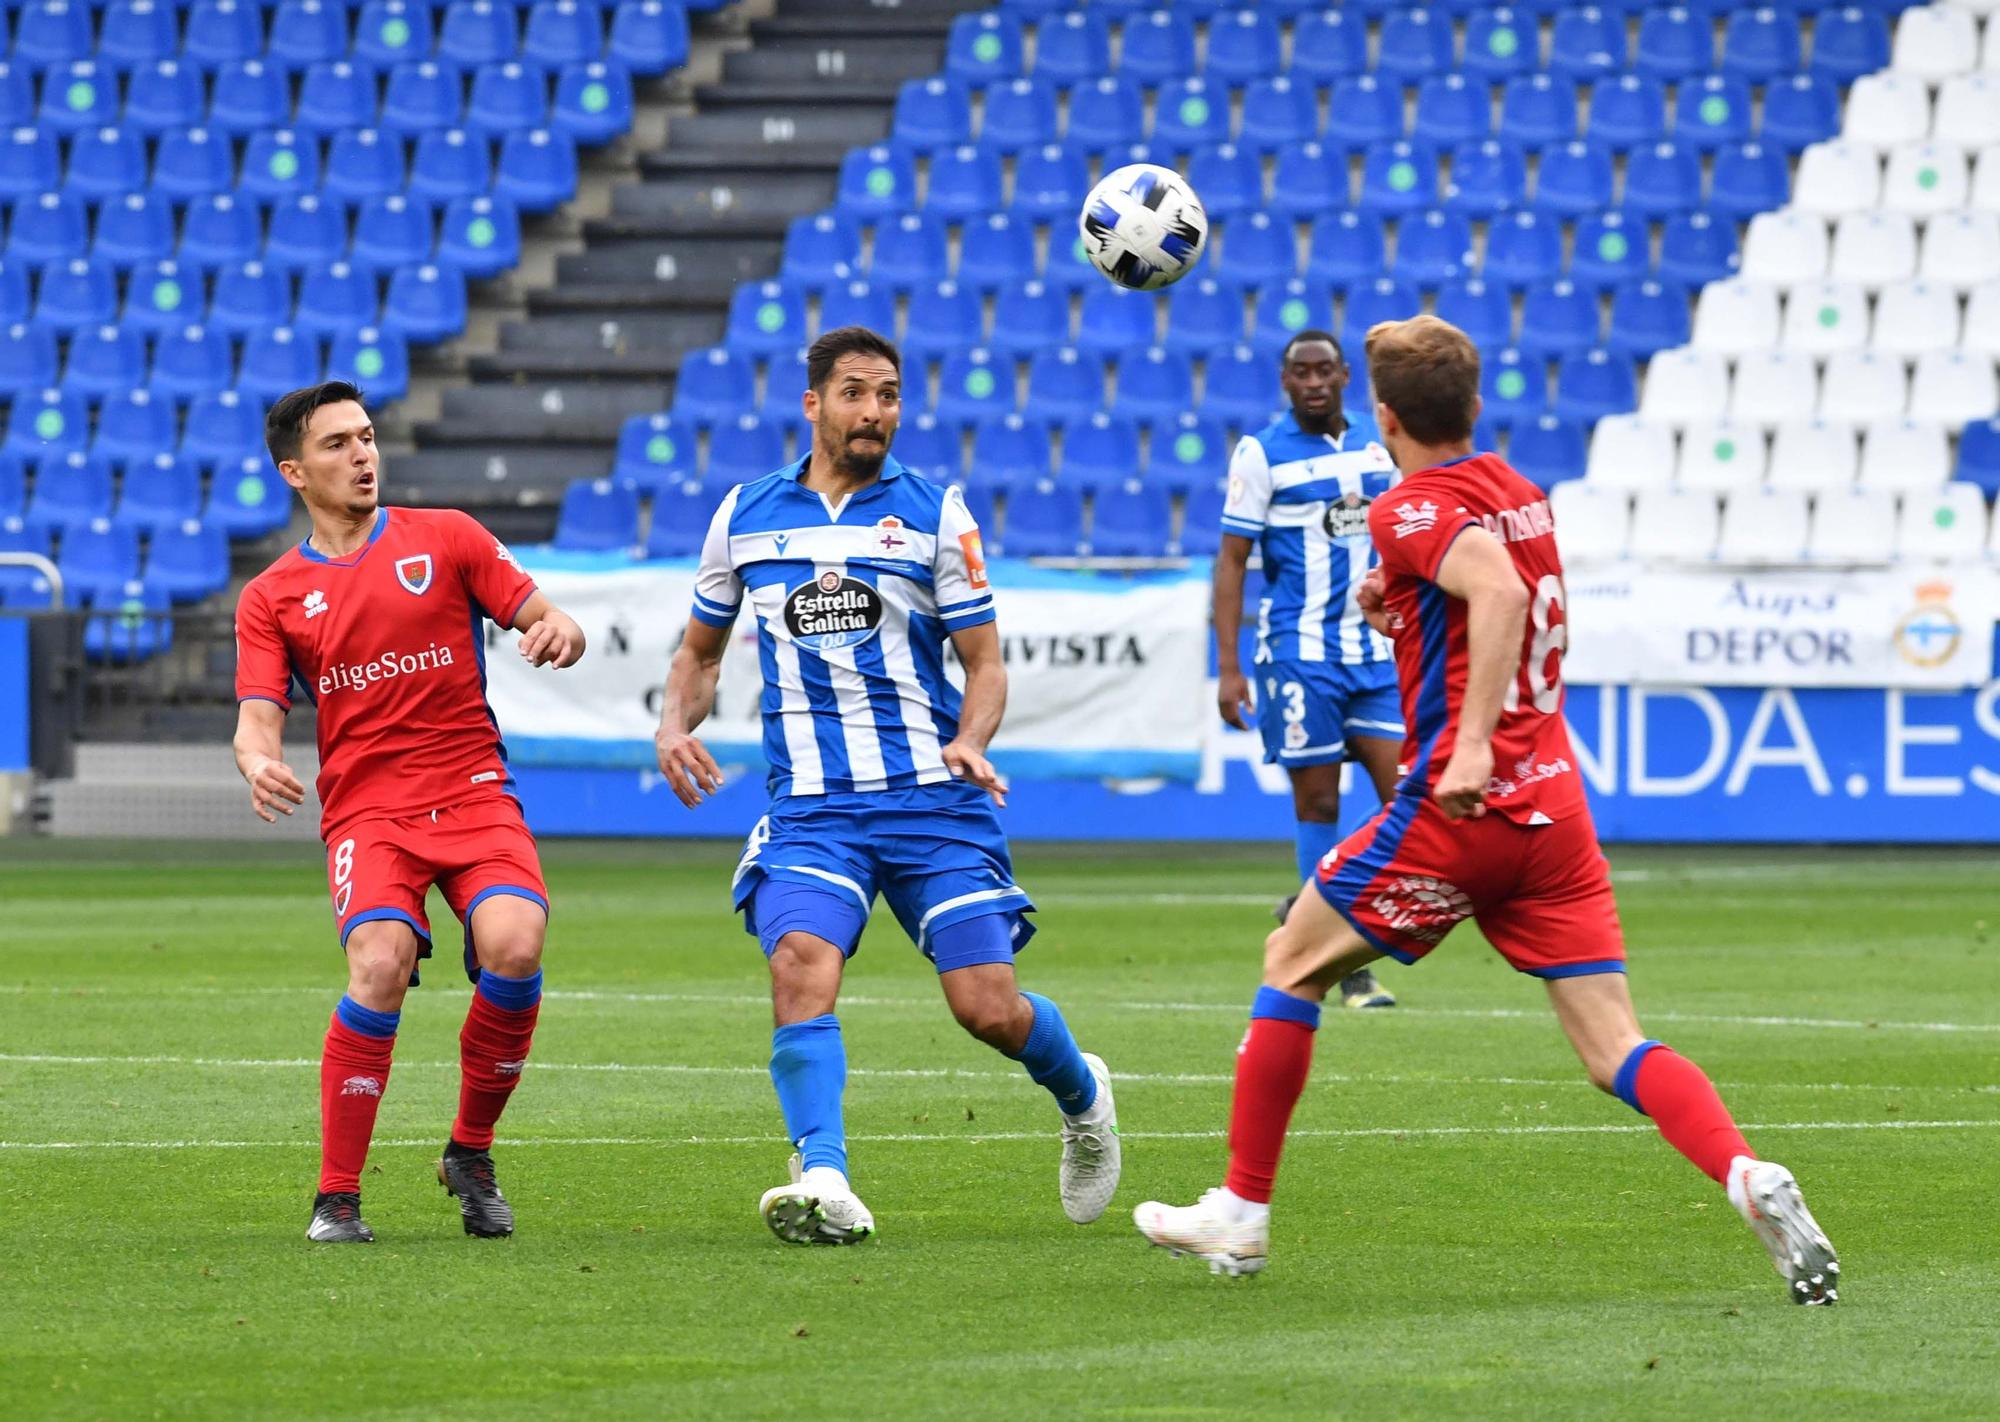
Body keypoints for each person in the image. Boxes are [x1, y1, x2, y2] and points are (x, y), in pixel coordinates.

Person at [1134, 318, 1839, 1305]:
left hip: (1464, 807)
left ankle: (1241, 1215)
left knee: (1289, 959)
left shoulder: (1406, 505)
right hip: (1554, 810)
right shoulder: (1514, 491)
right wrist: (1406, 603)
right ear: (1471, 406)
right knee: (1610, 1047)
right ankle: (1743, 1173)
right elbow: (1491, 583)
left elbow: (1497, 595)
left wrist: (1467, 745)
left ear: (1382, 417)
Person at [653, 326, 1120, 1246]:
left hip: (933, 802)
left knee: (986, 1006)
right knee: (800, 965)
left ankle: (1083, 1092)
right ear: (813, 405)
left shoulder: (937, 514)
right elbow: (699, 655)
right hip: (815, 807)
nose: (875, 412)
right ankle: (823, 1175)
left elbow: (984, 664)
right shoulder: (746, 514)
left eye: (890, 395)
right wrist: (675, 724)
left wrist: (972, 739)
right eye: (857, 393)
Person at [231, 381, 587, 1244]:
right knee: (381, 963)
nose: (362, 455)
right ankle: (338, 1197)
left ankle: (470, 1151)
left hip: (472, 792)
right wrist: (259, 760)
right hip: (369, 816)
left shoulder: (449, 536)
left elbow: (550, 617)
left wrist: (557, 631)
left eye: (367, 436)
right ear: (294, 472)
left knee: (515, 945)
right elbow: (255, 720)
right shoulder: (273, 596)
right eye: (338, 445)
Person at [1215, 331, 1402, 1010]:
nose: (1315, 382)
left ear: (1347, 376)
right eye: (1302, 373)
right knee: (1318, 803)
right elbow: (1232, 559)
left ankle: (1308, 902)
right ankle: (1341, 966)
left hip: (1376, 654)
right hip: (1299, 653)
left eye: (1325, 370)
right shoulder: (1262, 453)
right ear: (1285, 381)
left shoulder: (1380, 445)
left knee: (1409, 805)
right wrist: (1229, 667)